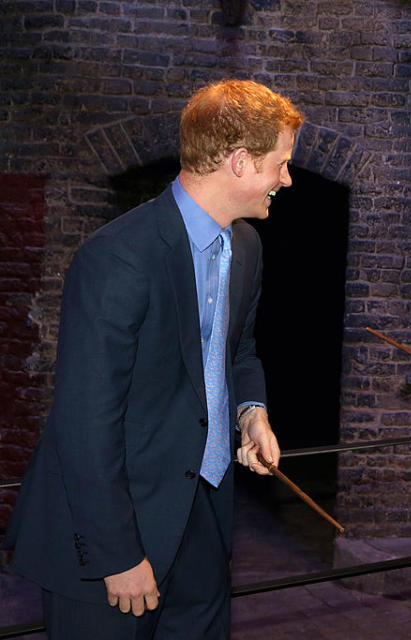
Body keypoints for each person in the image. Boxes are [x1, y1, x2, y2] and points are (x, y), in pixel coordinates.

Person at [4, 79, 301, 639]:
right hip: (114, 529)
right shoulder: (118, 257)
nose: (286, 178)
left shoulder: (249, 248)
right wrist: (117, 554)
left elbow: (237, 351)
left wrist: (251, 412)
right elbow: (83, 420)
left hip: (205, 514)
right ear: (239, 162)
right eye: (280, 164)